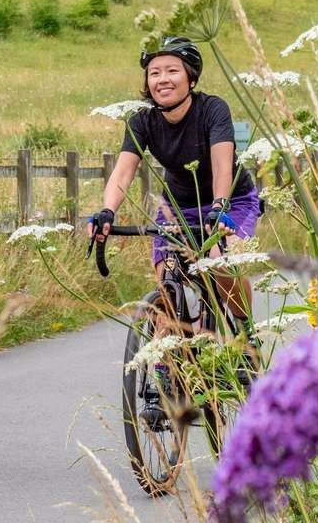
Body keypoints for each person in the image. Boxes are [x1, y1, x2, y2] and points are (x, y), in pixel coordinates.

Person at [89, 36, 261, 340]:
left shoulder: (212, 109)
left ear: (191, 78)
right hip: (177, 207)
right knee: (166, 284)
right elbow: (124, 170)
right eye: (154, 73)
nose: (162, 79)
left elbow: (222, 163)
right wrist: (107, 211)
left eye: (172, 71)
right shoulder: (142, 120)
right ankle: (169, 360)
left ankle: (247, 334)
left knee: (223, 266)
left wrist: (220, 207)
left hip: (231, 201)